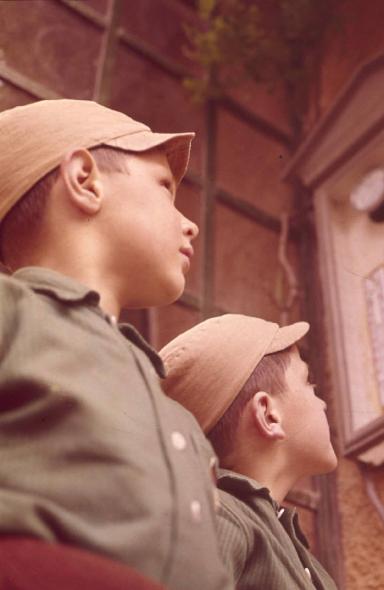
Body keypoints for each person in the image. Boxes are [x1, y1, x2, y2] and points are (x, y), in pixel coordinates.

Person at [0, 99, 233, 590]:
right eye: (165, 189)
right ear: (86, 181)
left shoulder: (175, 416)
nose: (189, 224)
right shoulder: (12, 313)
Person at [160, 314, 339, 589]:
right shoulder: (220, 517)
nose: (322, 403)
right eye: (308, 383)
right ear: (269, 415)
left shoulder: (285, 542)